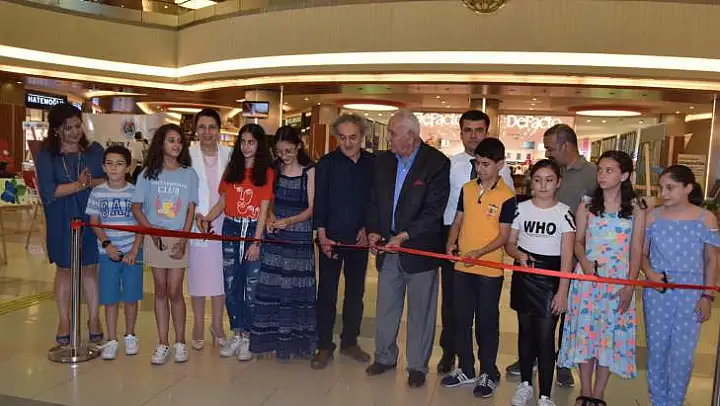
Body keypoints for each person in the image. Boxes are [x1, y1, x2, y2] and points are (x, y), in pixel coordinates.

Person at [507, 123, 598, 386]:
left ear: (565, 145)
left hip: (573, 255)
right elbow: (512, 240)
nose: (547, 153)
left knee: (564, 316)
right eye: (538, 180)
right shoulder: (543, 181)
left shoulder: (591, 175)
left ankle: (562, 363)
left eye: (550, 148)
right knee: (532, 323)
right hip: (538, 259)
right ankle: (531, 360)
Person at [365, 110, 450, 388]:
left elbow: (433, 210)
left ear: (410, 135)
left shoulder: (436, 163)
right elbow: (374, 200)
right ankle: (384, 356)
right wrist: (373, 230)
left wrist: (404, 236)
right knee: (386, 308)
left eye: (392, 133)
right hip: (388, 248)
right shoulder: (383, 161)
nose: (388, 138)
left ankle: (417, 366)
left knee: (420, 312)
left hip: (420, 250)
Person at [557, 150, 644, 406]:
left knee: (609, 335)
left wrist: (629, 285)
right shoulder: (587, 205)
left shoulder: (636, 209)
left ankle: (599, 393)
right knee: (586, 333)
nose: (602, 175)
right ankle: (585, 390)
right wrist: (584, 262)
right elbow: (578, 241)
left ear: (624, 175)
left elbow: (636, 249)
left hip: (618, 280)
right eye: (600, 170)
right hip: (589, 278)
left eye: (609, 170)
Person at [439, 110, 514, 374]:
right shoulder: (450, 165)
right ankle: (452, 355)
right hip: (456, 241)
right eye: (468, 130)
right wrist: (450, 242)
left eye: (478, 130)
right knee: (454, 307)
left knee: (486, 315)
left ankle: (487, 368)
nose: (473, 135)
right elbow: (451, 209)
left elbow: (507, 217)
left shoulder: (505, 177)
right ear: (460, 133)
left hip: (488, 250)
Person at [642, 165, 720, 406]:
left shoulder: (705, 218)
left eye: (670, 188)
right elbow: (641, 253)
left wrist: (707, 296)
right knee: (657, 351)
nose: (663, 193)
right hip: (658, 290)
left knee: (682, 354)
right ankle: (658, 401)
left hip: (691, 293)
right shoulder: (652, 217)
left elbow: (712, 260)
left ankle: (675, 401)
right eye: (661, 188)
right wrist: (650, 273)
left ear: (688, 188)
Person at [198, 123, 274, 361]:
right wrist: (207, 218)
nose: (246, 147)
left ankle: (249, 336)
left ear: (259, 145)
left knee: (251, 286)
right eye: (243, 142)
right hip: (231, 228)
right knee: (231, 284)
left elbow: (264, 210)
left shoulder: (266, 172)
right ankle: (237, 333)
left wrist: (256, 242)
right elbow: (222, 201)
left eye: (251, 142)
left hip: (252, 230)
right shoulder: (232, 169)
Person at [504, 159, 575, 406]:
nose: (543, 185)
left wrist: (562, 291)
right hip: (524, 276)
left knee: (545, 337)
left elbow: (567, 256)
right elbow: (510, 243)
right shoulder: (521, 209)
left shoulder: (564, 213)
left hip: (550, 278)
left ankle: (545, 394)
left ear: (558, 183)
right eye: (538, 180)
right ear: (530, 182)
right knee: (525, 332)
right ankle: (525, 384)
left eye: (549, 180)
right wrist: (519, 254)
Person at [35, 103, 105, 346]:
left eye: (78, 126)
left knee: (90, 268)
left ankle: (94, 318)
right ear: (56, 130)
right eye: (68, 128)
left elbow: (109, 179)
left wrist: (89, 183)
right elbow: (49, 191)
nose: (75, 132)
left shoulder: (94, 150)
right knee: (64, 269)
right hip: (61, 217)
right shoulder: (47, 156)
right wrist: (79, 185)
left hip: (90, 215)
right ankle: (64, 320)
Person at [312, 114, 375, 369]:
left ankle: (350, 341)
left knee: (355, 293)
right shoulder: (327, 163)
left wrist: (368, 228)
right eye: (343, 138)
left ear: (362, 137)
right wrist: (322, 235)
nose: (348, 143)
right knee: (326, 293)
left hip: (359, 240)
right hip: (331, 239)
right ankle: (324, 345)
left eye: (353, 138)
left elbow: (375, 200)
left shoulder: (372, 163)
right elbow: (320, 200)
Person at [131, 124, 198, 365]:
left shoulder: (189, 174)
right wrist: (151, 232)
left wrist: (184, 238)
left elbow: (190, 209)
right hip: (154, 237)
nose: (176, 145)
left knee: (175, 290)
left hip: (179, 238)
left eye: (179, 141)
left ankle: (180, 341)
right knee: (160, 289)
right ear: (161, 143)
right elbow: (136, 208)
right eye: (171, 140)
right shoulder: (147, 174)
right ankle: (162, 342)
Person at [250, 126, 316, 361]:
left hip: (298, 238)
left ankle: (296, 343)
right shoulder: (274, 169)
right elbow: (267, 201)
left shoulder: (310, 171)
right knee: (273, 287)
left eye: (288, 151)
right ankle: (269, 341)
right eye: (279, 152)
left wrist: (289, 221)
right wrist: (270, 218)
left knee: (294, 289)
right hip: (276, 238)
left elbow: (312, 208)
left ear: (298, 146)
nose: (284, 156)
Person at [85, 145, 143, 360]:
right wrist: (107, 245)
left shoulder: (135, 192)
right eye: (109, 164)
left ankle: (130, 334)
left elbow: (141, 223)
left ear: (128, 167)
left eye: (119, 164)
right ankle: (111, 338)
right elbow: (94, 221)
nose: (114, 168)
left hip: (132, 253)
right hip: (107, 254)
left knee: (131, 297)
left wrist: (134, 250)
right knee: (110, 298)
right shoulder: (97, 192)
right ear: (103, 166)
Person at [187, 109, 232, 351]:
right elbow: (183, 190)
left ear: (219, 129)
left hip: (224, 222)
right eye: (202, 127)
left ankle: (217, 325)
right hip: (196, 221)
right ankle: (197, 324)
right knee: (197, 276)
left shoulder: (230, 154)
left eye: (212, 127)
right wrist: (195, 215)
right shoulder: (187, 154)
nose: (207, 132)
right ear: (196, 130)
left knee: (220, 276)